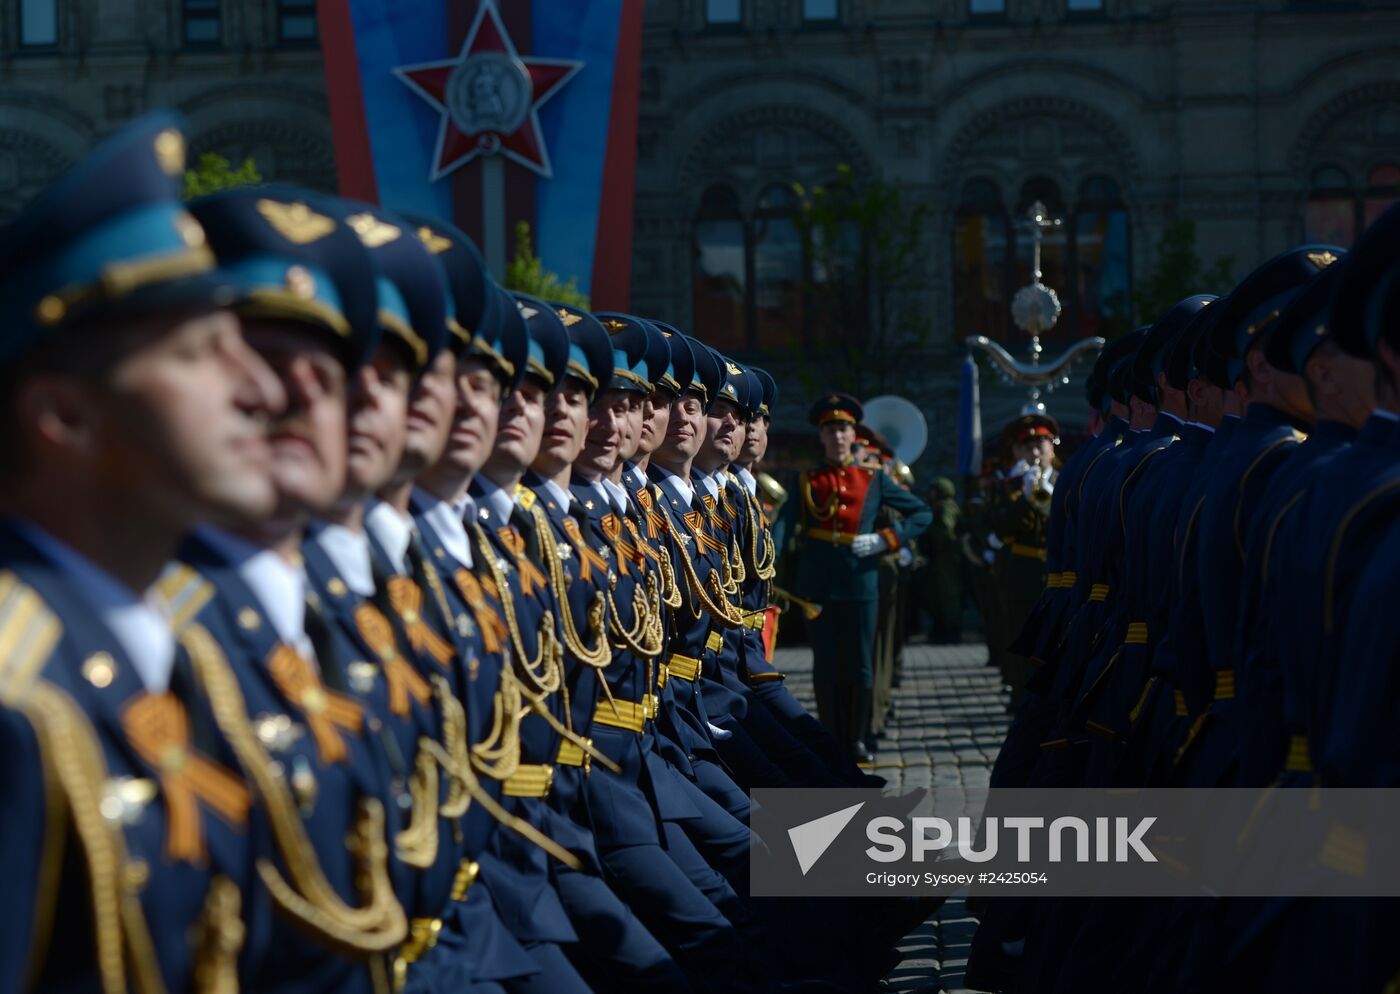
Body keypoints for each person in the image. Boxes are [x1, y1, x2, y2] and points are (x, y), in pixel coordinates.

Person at [0, 111, 286, 993]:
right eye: (204, 354)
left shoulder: (165, 645)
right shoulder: (16, 709)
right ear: (66, 418)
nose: (263, 390)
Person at [773, 392, 931, 764]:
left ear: (853, 433)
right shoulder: (807, 480)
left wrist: (884, 539)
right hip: (818, 583)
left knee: (860, 662)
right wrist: (769, 558)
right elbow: (784, 522)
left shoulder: (873, 479)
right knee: (826, 664)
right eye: (831, 429)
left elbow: (921, 514)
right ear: (821, 436)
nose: (838, 436)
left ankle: (857, 738)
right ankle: (831, 736)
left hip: (861, 581)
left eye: (844, 428)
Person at [920, 477, 963, 644]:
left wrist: (928, 528)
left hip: (948, 559)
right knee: (938, 595)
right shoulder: (939, 507)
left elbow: (946, 530)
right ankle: (942, 628)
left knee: (949, 596)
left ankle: (951, 631)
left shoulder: (947, 507)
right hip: (941, 559)